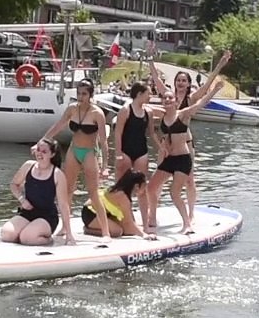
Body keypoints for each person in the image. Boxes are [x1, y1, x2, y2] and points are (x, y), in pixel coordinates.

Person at [148, 46, 232, 220]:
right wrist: (150, 58)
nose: (180, 83)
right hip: (166, 145)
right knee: (159, 178)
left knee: (190, 180)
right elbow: (155, 78)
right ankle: (152, 212)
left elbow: (208, 85)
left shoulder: (191, 99)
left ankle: (191, 213)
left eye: (184, 80)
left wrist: (220, 65)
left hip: (185, 144)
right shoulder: (168, 96)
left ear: (188, 83)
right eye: (178, 80)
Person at [144, 79, 227, 235]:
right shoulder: (160, 114)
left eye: (170, 98)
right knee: (151, 187)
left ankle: (187, 224)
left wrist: (215, 90)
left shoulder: (183, 115)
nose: (167, 100)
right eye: (165, 98)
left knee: (174, 192)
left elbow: (200, 103)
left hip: (183, 159)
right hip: (169, 160)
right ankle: (152, 219)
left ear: (176, 101)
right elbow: (141, 105)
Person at [41, 78, 112, 235]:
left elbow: (103, 141)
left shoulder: (97, 113)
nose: (81, 97)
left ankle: (106, 231)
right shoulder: (72, 109)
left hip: (89, 152)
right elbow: (58, 125)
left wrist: (105, 166)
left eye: (84, 94)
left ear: (91, 94)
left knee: (93, 193)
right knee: (67, 191)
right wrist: (44, 140)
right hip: (74, 150)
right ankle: (65, 227)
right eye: (79, 93)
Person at [0, 138, 72, 246]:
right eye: (38, 150)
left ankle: (47, 239)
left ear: (52, 154)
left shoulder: (57, 174)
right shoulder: (28, 166)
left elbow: (63, 204)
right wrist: (22, 199)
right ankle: (28, 232)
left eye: (44, 151)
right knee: (7, 234)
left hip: (47, 216)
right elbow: (14, 184)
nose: (39, 153)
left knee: (27, 238)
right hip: (27, 212)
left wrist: (69, 233)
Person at [81, 170, 154, 240]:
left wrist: (140, 230)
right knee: (117, 232)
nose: (145, 189)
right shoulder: (122, 196)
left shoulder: (122, 190)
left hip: (104, 213)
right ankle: (88, 230)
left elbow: (128, 222)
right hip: (90, 212)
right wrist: (144, 235)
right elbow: (129, 222)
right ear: (137, 186)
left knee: (126, 230)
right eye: (144, 185)